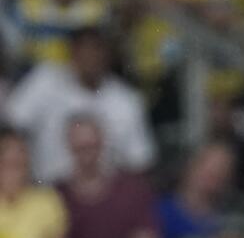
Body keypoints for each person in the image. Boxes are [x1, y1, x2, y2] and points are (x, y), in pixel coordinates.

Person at [4, 26, 156, 184]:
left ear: (108, 55)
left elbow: (139, 162)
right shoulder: (45, 80)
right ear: (71, 53)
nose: (90, 57)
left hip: (101, 196)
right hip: (46, 191)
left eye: (96, 50)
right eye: (83, 50)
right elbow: (11, 128)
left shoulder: (126, 100)